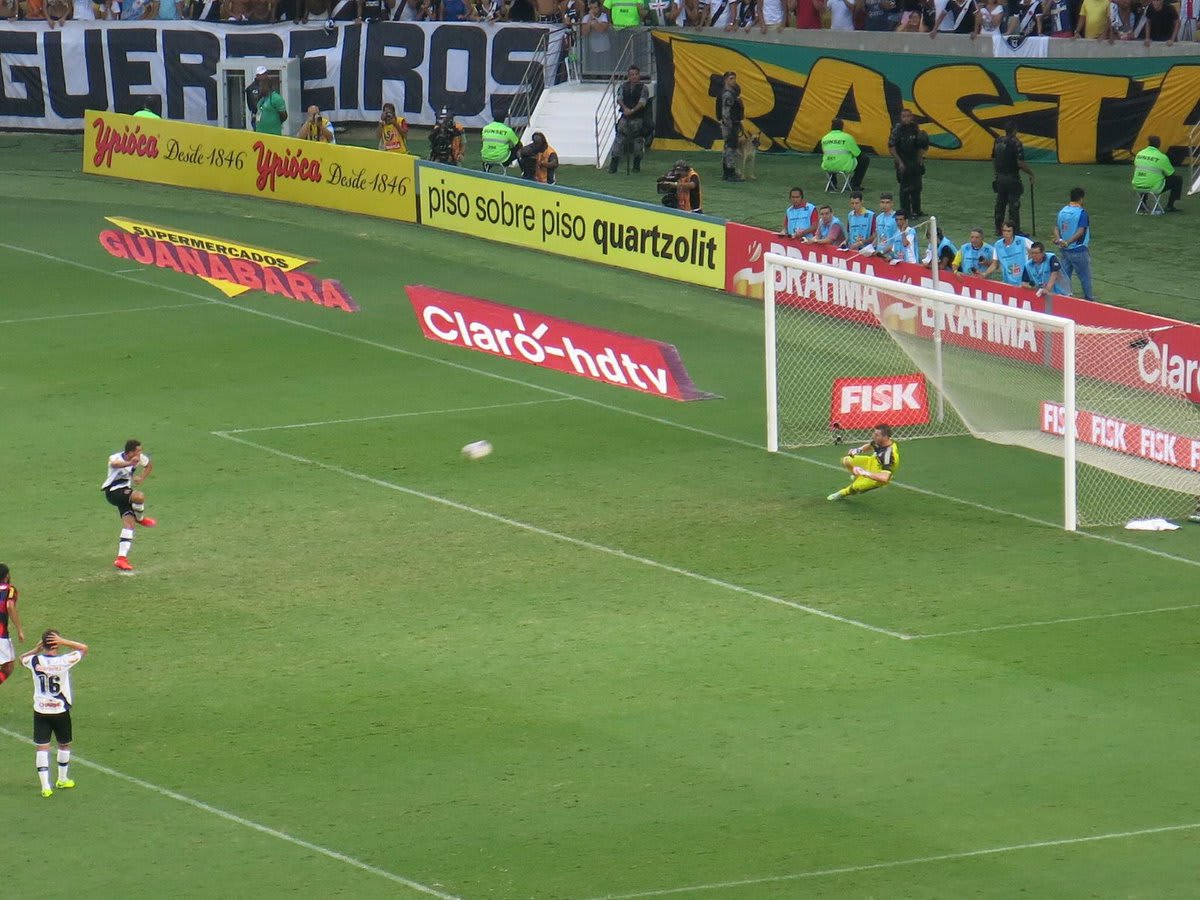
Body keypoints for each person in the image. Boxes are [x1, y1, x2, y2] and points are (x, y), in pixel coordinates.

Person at [20, 630, 88, 798]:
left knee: (42, 748)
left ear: (43, 645)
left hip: (41, 710)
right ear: (56, 644)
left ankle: (45, 787)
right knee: (64, 744)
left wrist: (36, 650)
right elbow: (84, 648)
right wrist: (63, 640)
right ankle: (62, 779)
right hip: (60, 711)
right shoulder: (64, 661)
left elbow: (22, 658)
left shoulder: (35, 660)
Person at [102, 439, 156, 572]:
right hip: (113, 492)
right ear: (130, 452)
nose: (140, 453)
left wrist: (141, 478)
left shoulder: (139, 458)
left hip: (124, 493)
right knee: (138, 496)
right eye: (138, 451)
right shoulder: (115, 457)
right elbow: (115, 464)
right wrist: (128, 463)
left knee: (129, 525)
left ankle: (121, 559)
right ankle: (141, 518)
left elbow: (149, 465)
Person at [827, 424, 900, 501]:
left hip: (878, 473)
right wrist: (858, 450)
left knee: (855, 487)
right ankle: (857, 476)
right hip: (873, 461)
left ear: (885, 437)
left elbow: (884, 478)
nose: (873, 436)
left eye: (876, 435)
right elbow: (870, 446)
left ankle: (842, 493)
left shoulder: (887, 455)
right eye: (874, 433)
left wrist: (865, 473)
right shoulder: (881, 442)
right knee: (846, 460)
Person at [991, 120, 1034, 236]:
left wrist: (997, 174)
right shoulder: (1016, 143)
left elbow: (994, 159)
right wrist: (1031, 173)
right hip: (1012, 178)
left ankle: (998, 228)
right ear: (1015, 130)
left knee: (1000, 204)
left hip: (1000, 178)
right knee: (1013, 205)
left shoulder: (998, 141)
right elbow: (1020, 162)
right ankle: (1014, 230)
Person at [1052, 187, 1093, 299]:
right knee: (1085, 277)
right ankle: (1089, 300)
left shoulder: (1063, 211)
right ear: (1081, 199)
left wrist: (1059, 239)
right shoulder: (1081, 213)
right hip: (1078, 250)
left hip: (1064, 251)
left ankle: (1063, 298)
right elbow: (1081, 231)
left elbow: (1056, 227)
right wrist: (1068, 242)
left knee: (1064, 277)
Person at [888, 108, 929, 218]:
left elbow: (920, 145)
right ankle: (906, 212)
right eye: (904, 116)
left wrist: (920, 159)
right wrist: (899, 162)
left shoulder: (915, 128)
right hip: (903, 161)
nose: (906, 118)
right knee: (905, 189)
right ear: (901, 118)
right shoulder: (897, 129)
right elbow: (891, 147)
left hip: (914, 161)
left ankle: (917, 210)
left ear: (912, 117)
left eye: (908, 116)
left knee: (917, 187)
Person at [610, 66, 650, 174]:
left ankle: (636, 165)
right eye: (632, 75)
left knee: (638, 143)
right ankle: (613, 165)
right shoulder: (623, 86)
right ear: (628, 76)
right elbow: (619, 99)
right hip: (624, 118)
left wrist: (632, 110)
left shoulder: (643, 88)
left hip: (638, 119)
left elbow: (642, 102)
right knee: (618, 141)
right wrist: (625, 109)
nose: (634, 77)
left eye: (636, 74)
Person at [1132, 135, 1183, 212]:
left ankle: (1143, 204)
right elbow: (1171, 174)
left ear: (1148, 143)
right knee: (1178, 179)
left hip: (1137, 185)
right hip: (1154, 187)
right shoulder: (1162, 157)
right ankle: (1170, 205)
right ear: (1159, 144)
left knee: (1145, 177)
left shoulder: (1139, 154)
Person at [820, 118, 870, 192]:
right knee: (864, 159)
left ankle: (832, 183)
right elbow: (857, 153)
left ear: (831, 126)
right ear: (842, 127)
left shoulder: (825, 138)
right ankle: (854, 184)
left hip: (827, 166)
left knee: (832, 159)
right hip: (844, 166)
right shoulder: (847, 138)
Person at [0, 564, 25, 687]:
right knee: (8, 667)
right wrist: (19, 629)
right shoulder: (10, 590)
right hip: (1, 635)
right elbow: (10, 606)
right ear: (7, 576)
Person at [984, 221, 1031, 285]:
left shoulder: (1023, 241)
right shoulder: (998, 245)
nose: (1006, 233)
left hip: (1023, 281)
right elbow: (995, 264)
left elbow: (1037, 250)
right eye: (1004, 231)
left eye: (1009, 231)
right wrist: (985, 274)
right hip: (1007, 281)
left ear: (1013, 231)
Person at [719, 71, 744, 183]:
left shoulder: (732, 93)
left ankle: (727, 172)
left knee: (729, 148)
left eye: (734, 78)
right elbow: (725, 112)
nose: (733, 81)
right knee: (731, 148)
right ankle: (730, 172)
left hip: (733, 123)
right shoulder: (728, 94)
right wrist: (729, 126)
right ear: (725, 80)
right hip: (730, 124)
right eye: (731, 78)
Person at [253, 67, 287, 137]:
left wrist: (274, 122)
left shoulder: (276, 98)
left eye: (262, 86)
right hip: (260, 133)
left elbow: (284, 116)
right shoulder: (261, 98)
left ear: (268, 86)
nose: (260, 88)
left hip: (273, 134)